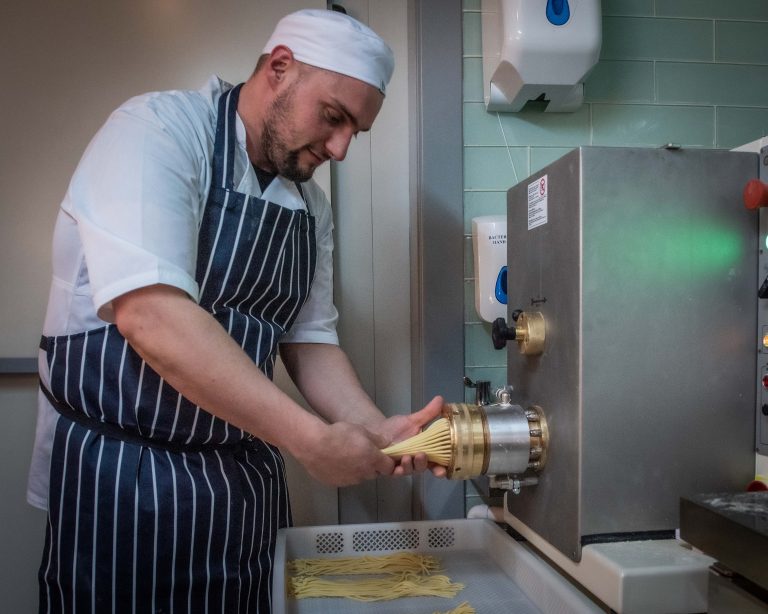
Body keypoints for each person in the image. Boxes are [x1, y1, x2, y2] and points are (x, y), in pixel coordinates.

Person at [27, 8, 445, 613]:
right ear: (280, 68)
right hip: (125, 481)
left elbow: (308, 339)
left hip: (239, 491)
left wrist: (373, 428)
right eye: (334, 117)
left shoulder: (311, 210)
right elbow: (152, 317)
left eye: (355, 132)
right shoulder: (158, 132)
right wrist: (310, 440)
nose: (340, 148)